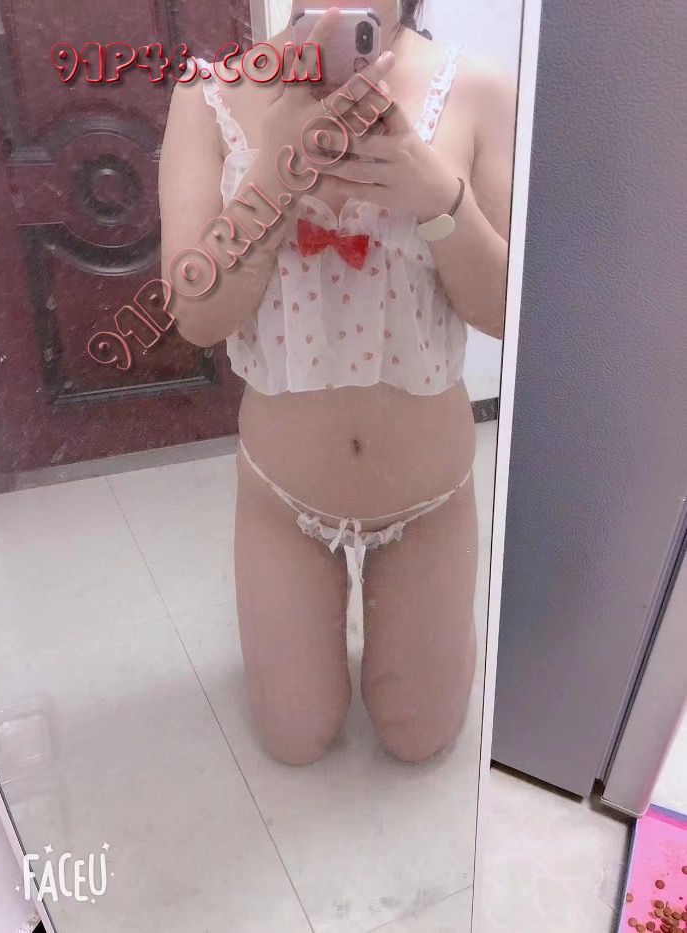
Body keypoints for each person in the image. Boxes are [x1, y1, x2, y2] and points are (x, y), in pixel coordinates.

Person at [159, 1, 514, 765]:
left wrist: (439, 200)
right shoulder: (209, 94)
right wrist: (272, 177)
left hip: (430, 499)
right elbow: (196, 317)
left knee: (419, 736)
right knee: (295, 736)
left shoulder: (478, 89)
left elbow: (504, 315)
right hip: (282, 499)